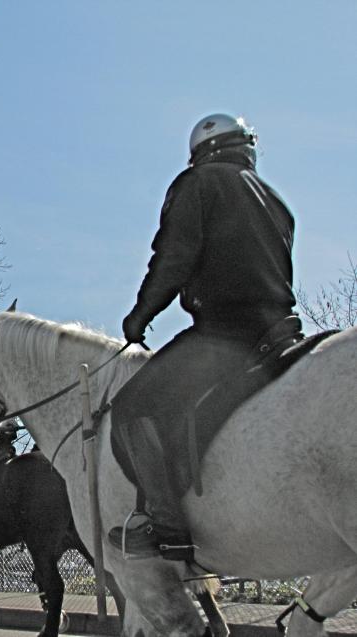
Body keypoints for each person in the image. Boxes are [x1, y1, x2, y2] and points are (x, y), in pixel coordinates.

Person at [107, 113, 299, 557]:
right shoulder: (277, 201)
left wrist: (140, 315)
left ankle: (167, 526)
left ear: (202, 152)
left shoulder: (197, 184)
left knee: (133, 407)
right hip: (280, 330)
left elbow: (174, 256)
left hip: (225, 333)